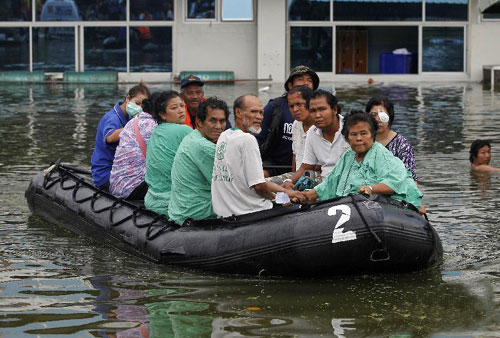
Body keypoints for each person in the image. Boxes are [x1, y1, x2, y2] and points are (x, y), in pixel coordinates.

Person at [296, 111, 423, 210]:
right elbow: (331, 182)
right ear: (347, 137)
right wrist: (309, 195)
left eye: (364, 133)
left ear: (372, 135)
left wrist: (371, 189)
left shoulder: (380, 153)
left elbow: (395, 181)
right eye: (353, 134)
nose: (358, 138)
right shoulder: (348, 156)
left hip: (386, 209)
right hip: (353, 208)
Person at [212, 94, 302, 218]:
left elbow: (257, 179)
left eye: (261, 113)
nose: (259, 117)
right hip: (250, 212)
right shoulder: (248, 140)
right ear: (238, 112)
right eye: (254, 112)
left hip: (226, 213)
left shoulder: (224, 136)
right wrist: (278, 198)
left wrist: (286, 191)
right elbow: (259, 186)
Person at [168, 97, 228, 225]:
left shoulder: (192, 137)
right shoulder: (204, 147)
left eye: (222, 121)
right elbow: (230, 185)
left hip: (182, 209)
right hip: (196, 212)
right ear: (200, 122)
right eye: (213, 120)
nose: (218, 126)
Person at [255, 65, 320, 177]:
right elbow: (258, 137)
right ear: (290, 85)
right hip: (275, 164)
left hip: (307, 169)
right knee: (257, 177)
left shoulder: (321, 113)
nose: (306, 83)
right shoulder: (275, 106)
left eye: (309, 80)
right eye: (301, 79)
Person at [285, 89, 350, 188]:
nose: (317, 115)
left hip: (351, 187)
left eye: (322, 109)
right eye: (313, 111)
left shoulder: (351, 128)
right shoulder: (312, 132)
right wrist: (289, 182)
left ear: (335, 110)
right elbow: (305, 167)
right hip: (325, 187)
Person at [91, 82, 150, 191]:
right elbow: (110, 137)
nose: (139, 108)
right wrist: (135, 128)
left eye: (143, 106)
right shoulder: (113, 118)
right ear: (127, 98)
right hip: (107, 175)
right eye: (137, 103)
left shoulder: (131, 117)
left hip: (124, 171)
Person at [144, 91, 193, 216]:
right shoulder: (184, 130)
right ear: (162, 114)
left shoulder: (156, 131)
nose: (181, 110)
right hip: (173, 203)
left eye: (182, 106)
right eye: (174, 108)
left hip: (152, 200)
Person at [108, 92, 160, 200]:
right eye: (174, 107)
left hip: (117, 183)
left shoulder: (133, 121)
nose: (180, 111)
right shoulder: (155, 127)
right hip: (132, 187)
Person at [365, 96, 418, 182]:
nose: (378, 119)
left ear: (390, 117)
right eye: (373, 115)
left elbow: (411, 179)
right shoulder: (363, 143)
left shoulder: (402, 145)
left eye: (382, 115)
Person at [289, 85, 316, 172]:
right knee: (262, 183)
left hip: (316, 177)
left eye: (299, 104)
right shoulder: (296, 124)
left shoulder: (321, 126)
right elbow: (295, 156)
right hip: (297, 176)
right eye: (291, 106)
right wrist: (292, 180)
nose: (295, 109)